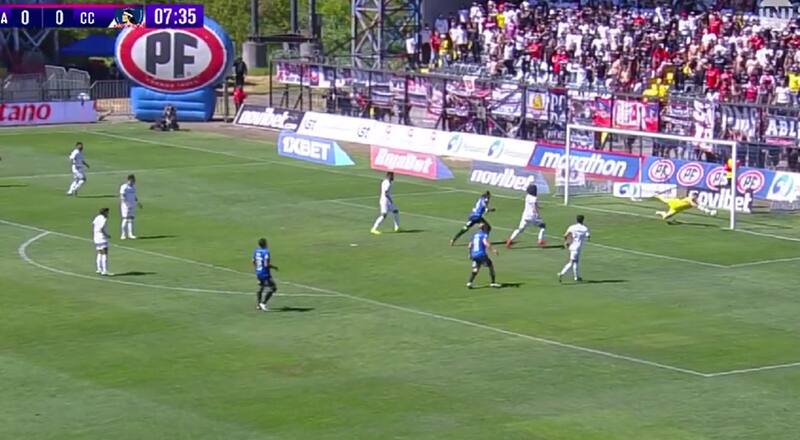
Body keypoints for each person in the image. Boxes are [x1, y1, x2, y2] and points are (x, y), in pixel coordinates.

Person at [505, 183, 547, 248]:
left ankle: (510, 240)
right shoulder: (534, 198)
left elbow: (534, 205)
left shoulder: (527, 196)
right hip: (532, 216)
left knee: (520, 229)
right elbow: (534, 207)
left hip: (525, 216)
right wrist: (538, 215)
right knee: (543, 226)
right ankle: (540, 240)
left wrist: (539, 207)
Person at [467, 222, 501, 289]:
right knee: (490, 266)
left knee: (476, 268)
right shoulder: (484, 235)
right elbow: (486, 243)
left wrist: (470, 253)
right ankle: (493, 283)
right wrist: (493, 250)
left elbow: (470, 245)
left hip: (474, 254)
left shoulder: (475, 235)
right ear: (485, 228)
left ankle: (469, 282)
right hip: (481, 254)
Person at [558, 214, 590, 283]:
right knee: (572, 262)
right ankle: (561, 274)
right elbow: (588, 236)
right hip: (577, 248)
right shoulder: (584, 228)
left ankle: (576, 277)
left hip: (571, 246)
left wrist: (567, 241)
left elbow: (565, 235)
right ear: (583, 220)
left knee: (576, 262)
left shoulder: (572, 227)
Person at [253, 238, 278, 311]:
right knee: (273, 288)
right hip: (265, 273)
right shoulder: (266, 252)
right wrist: (274, 267)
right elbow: (266, 264)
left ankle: (258, 304)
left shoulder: (256, 251)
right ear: (265, 244)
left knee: (261, 287)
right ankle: (263, 303)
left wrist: (257, 269)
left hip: (258, 272)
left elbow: (253, 261)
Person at [119, 174, 142, 240]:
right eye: (132, 181)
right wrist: (126, 204)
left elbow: (134, 196)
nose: (133, 182)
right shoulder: (124, 187)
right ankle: (123, 235)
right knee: (125, 219)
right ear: (129, 180)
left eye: (134, 181)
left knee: (131, 219)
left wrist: (138, 203)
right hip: (125, 206)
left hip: (132, 205)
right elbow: (122, 196)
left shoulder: (133, 187)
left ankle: (130, 234)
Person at [92, 208, 112, 276]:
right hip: (102, 238)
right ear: (105, 212)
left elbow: (94, 224)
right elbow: (102, 228)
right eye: (107, 212)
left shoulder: (97, 217)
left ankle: (99, 269)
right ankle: (105, 270)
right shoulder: (103, 219)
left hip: (96, 237)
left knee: (99, 253)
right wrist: (107, 235)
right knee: (104, 254)